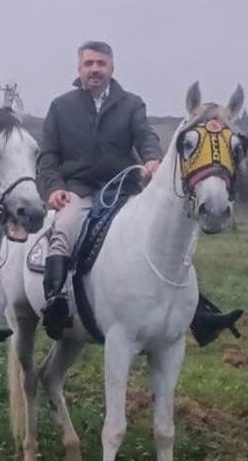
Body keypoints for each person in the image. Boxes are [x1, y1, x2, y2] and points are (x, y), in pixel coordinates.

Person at [35, 41, 163, 338]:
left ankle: (192, 308)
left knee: (163, 231)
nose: (95, 69)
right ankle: (55, 302)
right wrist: (53, 188)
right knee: (64, 229)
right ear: (79, 68)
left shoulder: (131, 103)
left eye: (101, 64)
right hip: (78, 189)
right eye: (89, 63)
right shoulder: (61, 106)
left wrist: (153, 159)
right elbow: (49, 155)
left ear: (111, 68)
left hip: (123, 189)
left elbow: (145, 136)